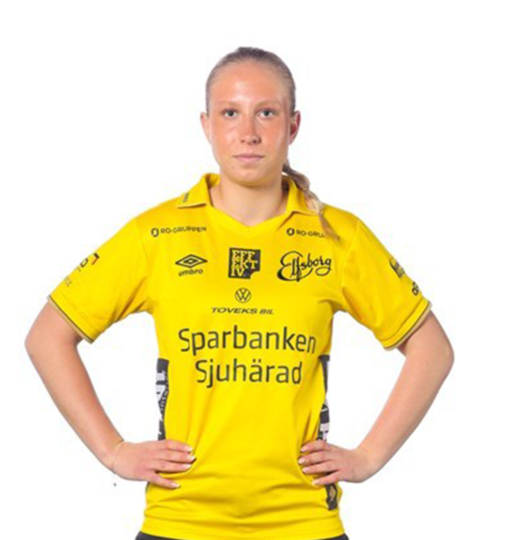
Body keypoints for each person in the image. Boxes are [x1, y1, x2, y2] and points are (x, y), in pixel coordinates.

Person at [25, 46, 454, 540]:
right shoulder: (156, 235)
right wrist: (113, 450)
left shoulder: (338, 236)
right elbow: (48, 336)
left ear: (293, 126)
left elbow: (432, 349)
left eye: (266, 113)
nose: (248, 132)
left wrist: (369, 456)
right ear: (207, 126)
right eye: (230, 113)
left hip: (303, 523)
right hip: (180, 521)